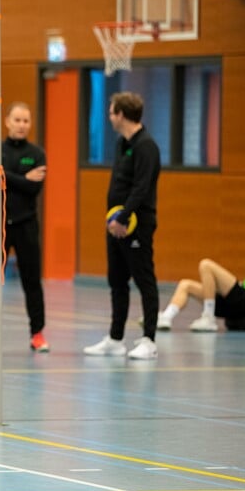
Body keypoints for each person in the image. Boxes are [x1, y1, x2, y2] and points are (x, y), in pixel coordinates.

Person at [84, 91, 161, 360]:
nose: (109, 116)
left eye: (111, 111)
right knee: (117, 281)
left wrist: (123, 217)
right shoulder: (121, 143)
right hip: (115, 225)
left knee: (144, 279)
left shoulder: (146, 146)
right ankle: (116, 339)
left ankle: (149, 340)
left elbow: (141, 189)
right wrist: (112, 219)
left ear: (121, 115)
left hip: (136, 225)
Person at [1, 102, 49, 353]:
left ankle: (38, 333)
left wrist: (7, 176)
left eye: (26, 121)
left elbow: (34, 187)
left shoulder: (37, 153)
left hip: (27, 224)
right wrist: (22, 177)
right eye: (17, 120)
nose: (21, 125)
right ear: (7, 121)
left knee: (32, 281)